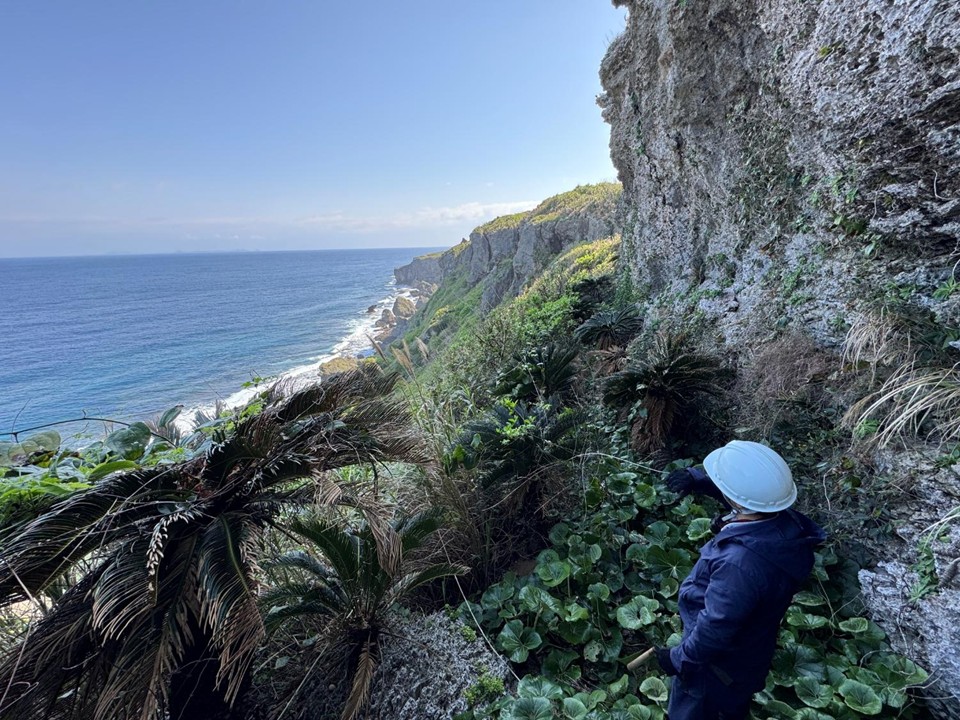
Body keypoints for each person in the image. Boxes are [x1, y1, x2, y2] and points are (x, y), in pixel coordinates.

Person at [653, 440, 826, 720]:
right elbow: (752, 505)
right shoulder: (786, 526)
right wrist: (700, 481)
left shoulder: (740, 563)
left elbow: (715, 628)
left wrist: (677, 659)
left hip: (714, 670)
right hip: (748, 656)